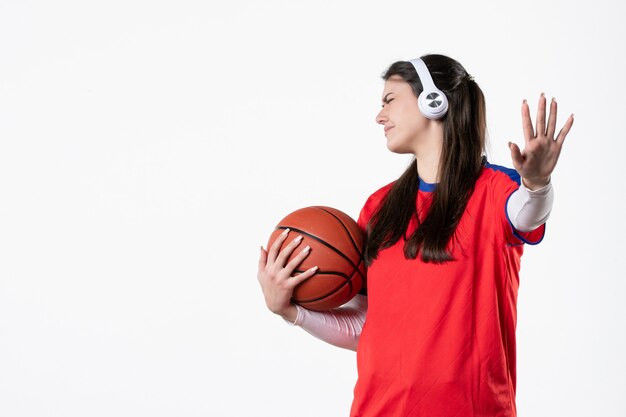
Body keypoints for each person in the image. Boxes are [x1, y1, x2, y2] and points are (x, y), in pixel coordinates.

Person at [257, 53, 574, 417]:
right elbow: (366, 326)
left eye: (390, 100)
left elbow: (528, 212)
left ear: (433, 101)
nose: (380, 116)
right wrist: (290, 311)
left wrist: (537, 183)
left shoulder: (497, 190)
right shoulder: (379, 207)